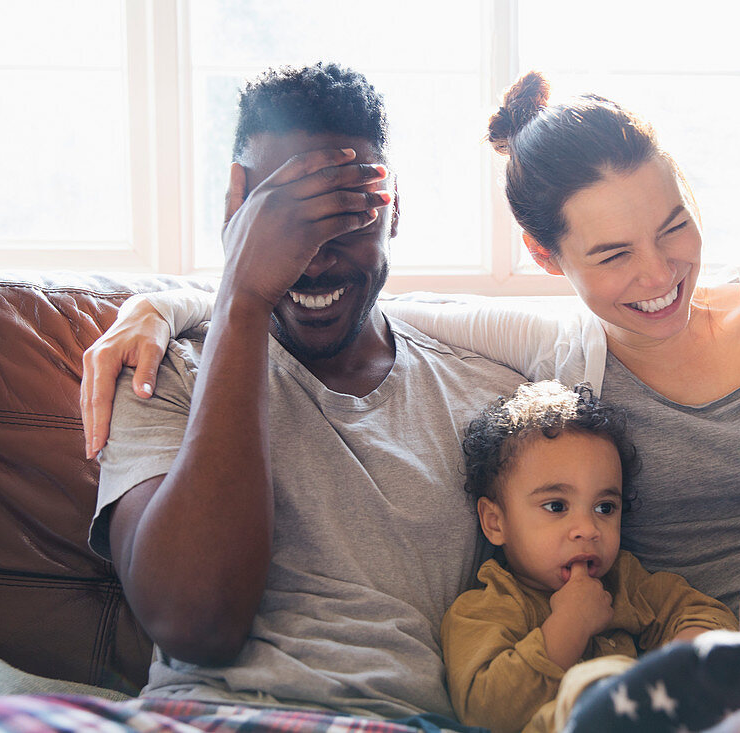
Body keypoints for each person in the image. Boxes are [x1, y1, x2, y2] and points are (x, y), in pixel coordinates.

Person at [83, 71, 740, 731]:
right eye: (609, 254)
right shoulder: (550, 353)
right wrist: (180, 301)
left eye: (671, 225)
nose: (657, 275)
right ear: (548, 262)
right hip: (721, 668)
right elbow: (365, 296)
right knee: (724, 689)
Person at [83, 62, 526, 728]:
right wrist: (241, 297)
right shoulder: (162, 370)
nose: (314, 258)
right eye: (285, 220)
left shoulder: (490, 396)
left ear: (393, 206)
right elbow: (194, 623)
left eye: (344, 216)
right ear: (236, 210)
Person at [443, 380, 740, 733]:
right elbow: (486, 712)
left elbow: (699, 610)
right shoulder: (483, 609)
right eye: (556, 506)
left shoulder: (624, 581)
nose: (588, 528)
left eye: (604, 507)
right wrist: (569, 626)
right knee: (586, 689)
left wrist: (685, 662)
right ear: (495, 522)